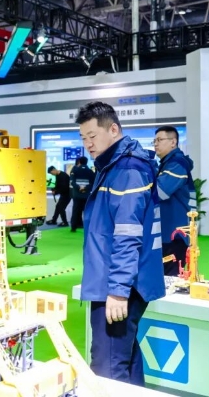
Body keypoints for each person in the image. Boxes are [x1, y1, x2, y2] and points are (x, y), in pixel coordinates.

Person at [75, 101, 165, 386]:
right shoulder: (113, 165)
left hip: (119, 283)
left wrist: (117, 291)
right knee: (124, 357)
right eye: (83, 138)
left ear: (113, 129)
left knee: (108, 368)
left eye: (92, 136)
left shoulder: (127, 170)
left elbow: (128, 235)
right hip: (116, 278)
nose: (88, 144)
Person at [153, 126, 196, 276]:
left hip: (175, 234)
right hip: (169, 230)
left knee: (171, 278)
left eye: (160, 140)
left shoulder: (177, 164)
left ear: (173, 142)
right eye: (154, 141)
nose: (155, 144)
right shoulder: (167, 164)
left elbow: (161, 192)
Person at [69, 156, 95, 232]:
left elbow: (72, 182)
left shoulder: (75, 170)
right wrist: (85, 188)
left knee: (75, 211)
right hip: (86, 194)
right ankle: (87, 227)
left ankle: (73, 227)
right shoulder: (90, 171)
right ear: (87, 162)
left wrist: (78, 187)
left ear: (79, 161)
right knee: (87, 211)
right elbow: (93, 183)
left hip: (77, 194)